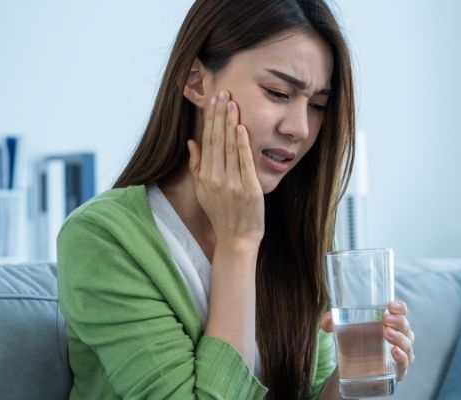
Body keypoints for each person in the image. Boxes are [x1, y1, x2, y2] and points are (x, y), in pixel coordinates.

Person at [57, 0, 415, 398]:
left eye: (316, 106)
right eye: (278, 92)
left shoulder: (302, 231)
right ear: (196, 81)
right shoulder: (103, 238)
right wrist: (238, 244)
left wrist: (358, 377)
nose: (299, 128)